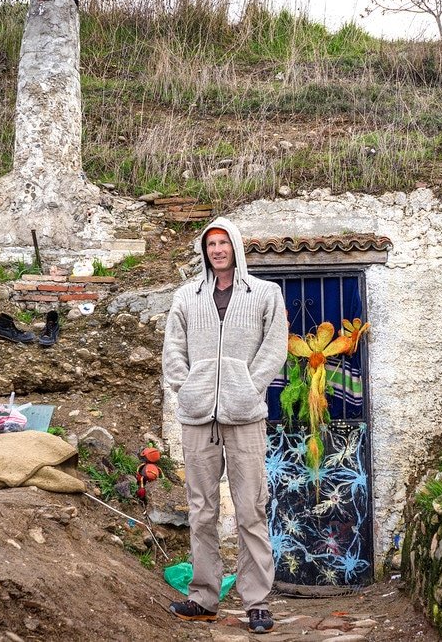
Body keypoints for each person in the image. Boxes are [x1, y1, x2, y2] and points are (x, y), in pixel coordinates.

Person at [162, 217, 288, 635]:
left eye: (223, 243)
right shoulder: (187, 296)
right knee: (202, 510)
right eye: (211, 244)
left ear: (235, 247)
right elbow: (173, 349)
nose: (217, 250)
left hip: (245, 417)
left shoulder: (265, 293)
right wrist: (188, 389)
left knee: (251, 509)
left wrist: (248, 389)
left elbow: (275, 348)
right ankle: (203, 598)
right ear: (205, 251)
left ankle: (256, 602)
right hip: (198, 417)